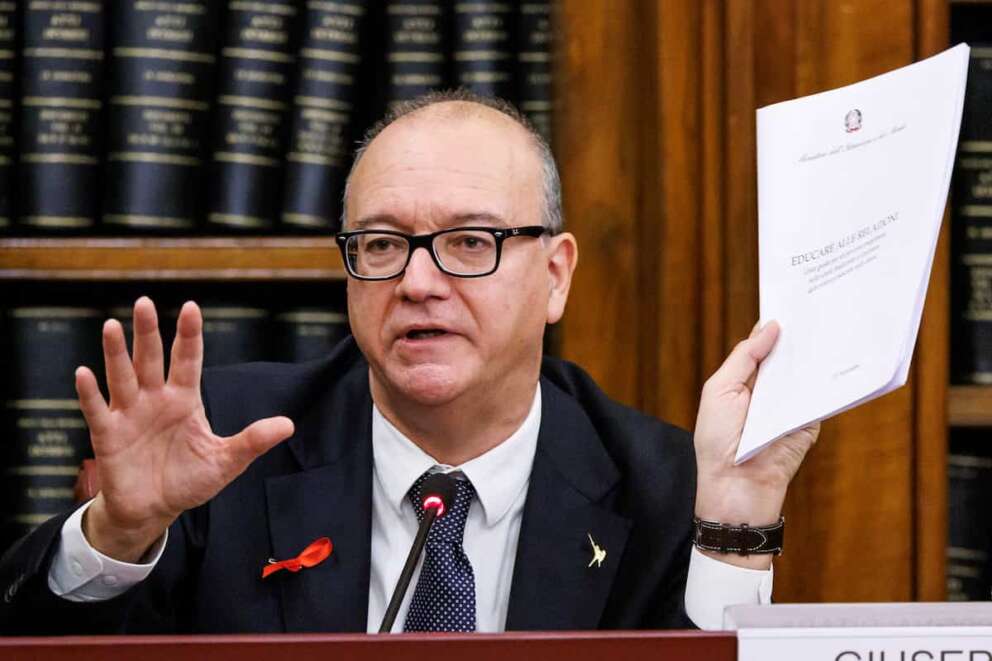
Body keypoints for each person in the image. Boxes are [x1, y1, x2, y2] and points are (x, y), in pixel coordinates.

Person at [0, 91, 818, 634]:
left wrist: (735, 533)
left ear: (556, 274)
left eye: (470, 241)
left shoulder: (665, 481)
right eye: (383, 245)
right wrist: (119, 533)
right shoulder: (226, 447)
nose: (418, 282)